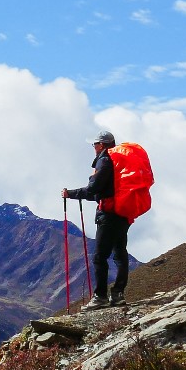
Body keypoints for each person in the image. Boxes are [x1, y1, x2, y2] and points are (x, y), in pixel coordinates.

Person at [64, 130, 153, 309]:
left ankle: (100, 297)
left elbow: (94, 189)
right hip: (124, 213)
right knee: (120, 254)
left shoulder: (105, 160)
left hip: (109, 214)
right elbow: (102, 191)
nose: (94, 148)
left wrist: (70, 194)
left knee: (100, 257)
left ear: (102, 145)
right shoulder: (119, 162)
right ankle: (118, 294)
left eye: (95, 144)